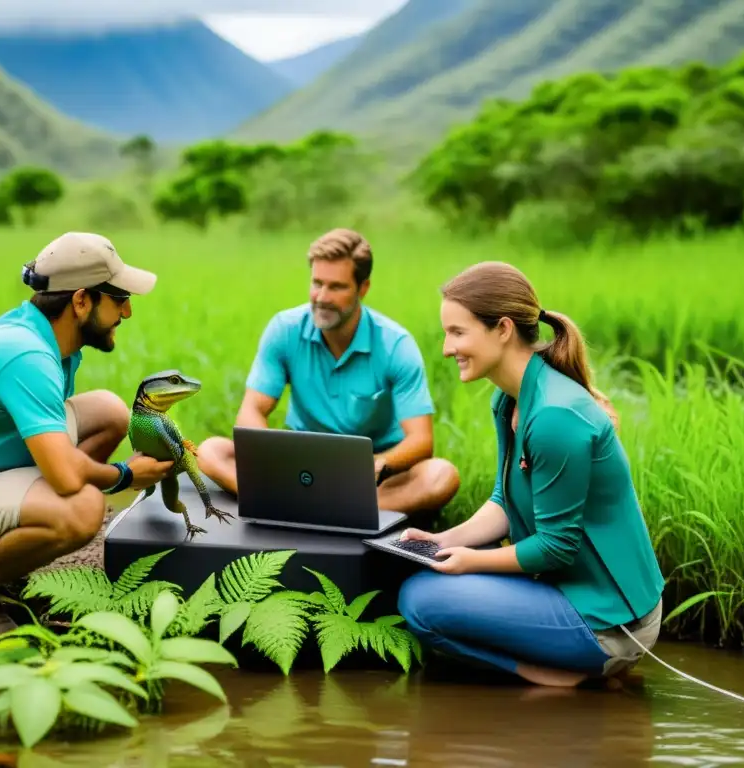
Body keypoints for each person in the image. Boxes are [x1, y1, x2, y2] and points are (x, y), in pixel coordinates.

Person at [0, 232, 176, 648]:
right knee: (82, 508)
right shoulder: (27, 356)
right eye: (118, 299)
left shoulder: (48, 339)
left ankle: (6, 562)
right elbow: (64, 477)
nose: (128, 312)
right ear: (80, 301)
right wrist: (125, 474)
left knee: (110, 413)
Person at [397, 260, 665, 687]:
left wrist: (471, 562)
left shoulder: (556, 416)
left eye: (457, 332)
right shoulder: (509, 401)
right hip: (569, 593)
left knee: (420, 602)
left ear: (503, 329)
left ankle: (560, 675)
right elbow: (506, 499)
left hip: (612, 622)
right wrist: (442, 542)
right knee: (423, 582)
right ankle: (573, 670)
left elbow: (556, 547)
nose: (447, 348)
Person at [197, 227, 460, 517]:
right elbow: (252, 410)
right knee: (211, 452)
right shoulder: (285, 329)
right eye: (316, 283)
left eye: (336, 287)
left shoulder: (395, 345)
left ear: (363, 288)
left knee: (441, 476)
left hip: (370, 478)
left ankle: (303, 506)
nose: (321, 297)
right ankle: (333, 509)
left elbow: (421, 440)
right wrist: (276, 459)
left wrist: (377, 465)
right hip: (298, 469)